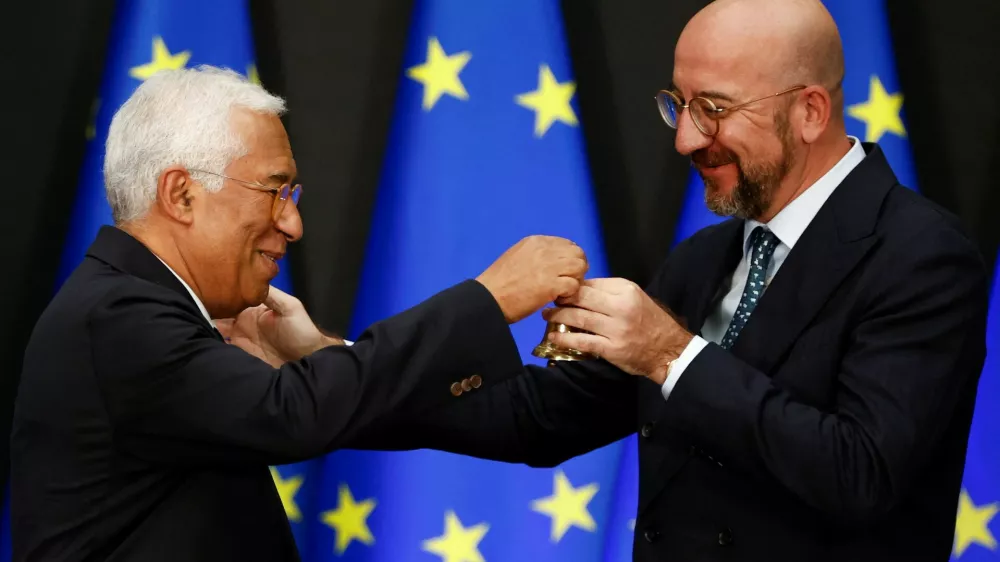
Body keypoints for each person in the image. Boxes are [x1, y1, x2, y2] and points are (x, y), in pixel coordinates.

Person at [231, 0, 989, 560]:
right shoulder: (703, 262)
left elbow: (859, 473)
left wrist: (671, 355)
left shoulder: (920, 254)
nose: (688, 137)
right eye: (679, 105)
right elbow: (533, 418)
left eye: (714, 110)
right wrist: (328, 358)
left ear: (811, 111)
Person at [9, 66, 584, 561]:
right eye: (274, 191)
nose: (293, 224)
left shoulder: (139, 306)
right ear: (181, 194)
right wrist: (486, 301)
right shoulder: (118, 313)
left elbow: (312, 410)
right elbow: (288, 414)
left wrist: (313, 353)